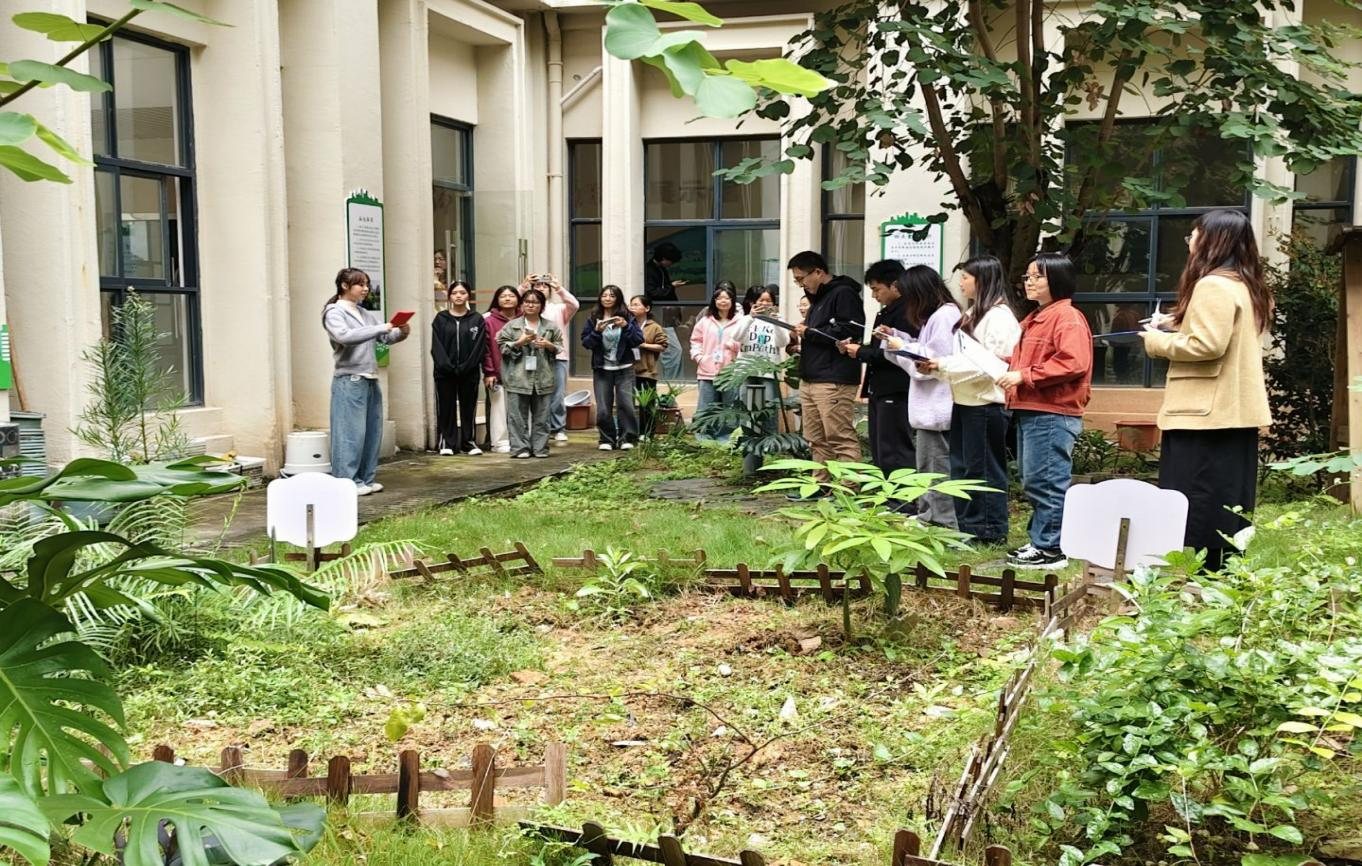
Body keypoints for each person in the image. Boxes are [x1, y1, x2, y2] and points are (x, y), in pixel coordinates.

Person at [1142, 209, 1272, 572]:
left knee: (1197, 501)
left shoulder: (1212, 285)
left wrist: (1156, 342)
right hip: (1234, 412)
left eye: (1194, 236)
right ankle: (1223, 574)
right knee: (1227, 502)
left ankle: (1205, 575)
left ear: (1212, 241)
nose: (1190, 243)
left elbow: (1207, 345)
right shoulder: (1247, 285)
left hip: (1203, 414)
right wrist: (1178, 322)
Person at [997, 253, 1093, 569]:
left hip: (1052, 410)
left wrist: (1023, 375)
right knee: (1034, 479)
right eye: (1028, 276)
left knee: (1047, 479)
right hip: (1033, 407)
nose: (1029, 282)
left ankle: (1051, 548)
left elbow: (1073, 362)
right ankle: (1041, 541)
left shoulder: (1066, 317)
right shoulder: (1039, 316)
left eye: (1037, 276)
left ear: (1057, 279)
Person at [917, 256, 1021, 544]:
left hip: (987, 404)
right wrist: (936, 367)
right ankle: (968, 527)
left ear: (982, 279)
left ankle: (988, 531)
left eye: (965, 277)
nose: (960, 283)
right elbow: (963, 359)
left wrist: (941, 366)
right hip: (965, 401)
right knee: (963, 468)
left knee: (983, 469)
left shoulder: (999, 317)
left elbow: (990, 365)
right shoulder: (975, 312)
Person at [878, 266, 962, 528]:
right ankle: (929, 514)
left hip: (937, 407)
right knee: (928, 466)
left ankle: (940, 521)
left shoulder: (945, 315)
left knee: (937, 467)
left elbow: (931, 363)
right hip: (930, 407)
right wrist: (896, 338)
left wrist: (901, 346)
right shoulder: (936, 315)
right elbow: (924, 350)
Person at [322, 267, 409, 494]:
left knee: (371, 432)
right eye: (361, 284)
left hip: (370, 377)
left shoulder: (364, 313)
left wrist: (402, 330)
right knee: (350, 434)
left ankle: (366, 479)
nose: (366, 289)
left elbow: (385, 337)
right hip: (349, 379)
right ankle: (347, 482)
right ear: (345, 285)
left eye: (367, 284)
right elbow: (344, 336)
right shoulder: (334, 312)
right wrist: (383, 327)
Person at [788, 251, 864, 479]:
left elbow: (850, 330)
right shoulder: (818, 298)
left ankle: (849, 488)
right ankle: (820, 484)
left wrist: (810, 332)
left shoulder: (843, 293)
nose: (800, 285)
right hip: (811, 376)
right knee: (816, 438)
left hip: (834, 378)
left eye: (801, 279)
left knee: (839, 437)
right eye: (796, 281)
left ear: (818, 272)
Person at [837, 260, 914, 481]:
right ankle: (885, 491)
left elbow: (898, 354)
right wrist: (857, 348)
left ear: (895, 285)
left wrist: (861, 352)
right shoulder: (886, 312)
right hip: (879, 386)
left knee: (894, 448)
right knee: (880, 446)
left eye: (877, 289)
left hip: (896, 387)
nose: (874, 296)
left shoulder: (907, 312)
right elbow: (878, 348)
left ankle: (901, 496)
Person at [497, 287, 563, 458]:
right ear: (522, 304)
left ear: (542, 306)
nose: (531, 305)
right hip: (517, 377)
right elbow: (502, 347)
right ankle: (520, 449)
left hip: (543, 377)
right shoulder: (512, 326)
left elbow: (559, 347)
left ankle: (540, 448)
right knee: (517, 416)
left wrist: (548, 345)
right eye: (527, 302)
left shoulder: (550, 326)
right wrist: (519, 342)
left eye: (535, 302)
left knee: (542, 416)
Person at [431, 281, 493, 456]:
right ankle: (447, 442)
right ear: (450, 296)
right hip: (445, 372)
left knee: (468, 406)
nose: (458, 296)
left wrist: (467, 365)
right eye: (455, 293)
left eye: (463, 293)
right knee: (446, 406)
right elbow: (436, 346)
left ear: (468, 296)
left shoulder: (476, 319)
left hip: (469, 372)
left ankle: (468, 442)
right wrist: (447, 366)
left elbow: (479, 346)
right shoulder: (441, 319)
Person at [581, 285, 644, 451]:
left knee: (626, 405)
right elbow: (586, 343)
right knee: (603, 407)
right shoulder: (593, 317)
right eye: (604, 295)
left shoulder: (628, 317)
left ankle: (627, 438)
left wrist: (626, 326)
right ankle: (606, 439)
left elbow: (638, 340)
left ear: (618, 298)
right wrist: (596, 331)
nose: (607, 299)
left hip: (625, 368)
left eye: (612, 296)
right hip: (602, 369)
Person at [731, 286, 791, 437]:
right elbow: (736, 337)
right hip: (746, 371)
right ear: (752, 302)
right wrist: (750, 318)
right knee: (746, 407)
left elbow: (783, 342)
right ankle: (747, 439)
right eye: (761, 300)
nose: (765, 303)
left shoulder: (778, 320)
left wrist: (776, 322)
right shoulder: (744, 319)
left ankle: (770, 440)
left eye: (768, 300)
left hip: (769, 372)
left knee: (769, 408)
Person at [690, 283, 742, 442]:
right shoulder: (705, 321)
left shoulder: (740, 321)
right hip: (707, 370)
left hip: (731, 371)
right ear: (714, 301)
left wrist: (733, 346)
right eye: (719, 298)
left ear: (733, 301)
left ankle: (726, 438)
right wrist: (699, 357)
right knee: (706, 405)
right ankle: (703, 437)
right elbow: (695, 341)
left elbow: (744, 342)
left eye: (726, 298)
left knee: (729, 406)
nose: (723, 301)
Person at [534, 274, 580, 445]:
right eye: (537, 285)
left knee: (558, 394)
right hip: (533, 357)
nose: (540, 288)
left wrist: (558, 287)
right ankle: (540, 427)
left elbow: (574, 304)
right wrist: (523, 287)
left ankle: (558, 428)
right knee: (537, 393)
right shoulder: (527, 308)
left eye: (544, 286)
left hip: (558, 356)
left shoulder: (558, 309)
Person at [483, 284, 521, 453]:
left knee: (521, 409)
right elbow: (486, 349)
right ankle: (499, 442)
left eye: (511, 296)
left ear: (518, 299)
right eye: (503, 296)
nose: (507, 299)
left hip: (522, 372)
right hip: (498, 372)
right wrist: (489, 371)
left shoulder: (525, 319)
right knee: (498, 409)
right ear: (497, 300)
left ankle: (520, 440)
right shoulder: (488, 321)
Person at [644, 242, 686, 380]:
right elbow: (653, 293)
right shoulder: (650, 271)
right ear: (663, 258)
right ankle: (673, 383)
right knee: (674, 351)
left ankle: (672, 382)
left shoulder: (659, 269)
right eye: (670, 261)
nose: (670, 264)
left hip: (664, 315)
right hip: (659, 315)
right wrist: (671, 286)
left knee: (671, 351)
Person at [630, 294, 669, 438]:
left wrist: (644, 345)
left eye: (636, 304)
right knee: (628, 403)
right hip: (629, 369)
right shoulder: (628, 324)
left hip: (647, 371)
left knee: (647, 404)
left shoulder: (654, 327)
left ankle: (647, 434)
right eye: (631, 305)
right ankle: (630, 433)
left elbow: (663, 346)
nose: (632, 307)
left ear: (647, 308)